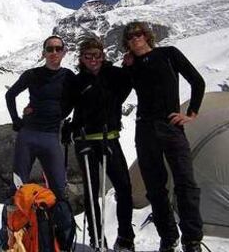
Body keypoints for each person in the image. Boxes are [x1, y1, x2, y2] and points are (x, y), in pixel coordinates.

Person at [121, 22, 206, 252]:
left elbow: (197, 81)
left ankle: (192, 240)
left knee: (185, 183)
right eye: (130, 36)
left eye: (138, 33)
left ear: (147, 36)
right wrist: (126, 66)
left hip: (170, 126)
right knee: (154, 188)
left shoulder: (168, 54)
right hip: (144, 129)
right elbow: (117, 91)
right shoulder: (131, 65)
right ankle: (168, 238)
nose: (135, 38)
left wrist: (191, 113)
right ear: (126, 43)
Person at [66, 37, 135, 252]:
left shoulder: (115, 75)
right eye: (88, 56)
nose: (93, 60)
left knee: (124, 187)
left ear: (103, 55)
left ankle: (125, 238)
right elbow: (65, 106)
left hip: (110, 138)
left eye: (97, 55)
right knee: (91, 192)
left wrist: (129, 64)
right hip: (84, 141)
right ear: (81, 58)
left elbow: (129, 84)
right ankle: (97, 239)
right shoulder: (76, 82)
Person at [5, 35, 74, 200]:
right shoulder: (32, 74)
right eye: (50, 49)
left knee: (58, 186)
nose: (54, 52)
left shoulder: (68, 76)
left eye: (58, 49)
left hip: (51, 136)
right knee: (18, 185)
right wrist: (16, 120)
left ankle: (55, 224)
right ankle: (12, 225)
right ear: (43, 53)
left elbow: (76, 99)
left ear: (64, 52)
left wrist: (62, 117)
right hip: (28, 135)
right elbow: (10, 95)